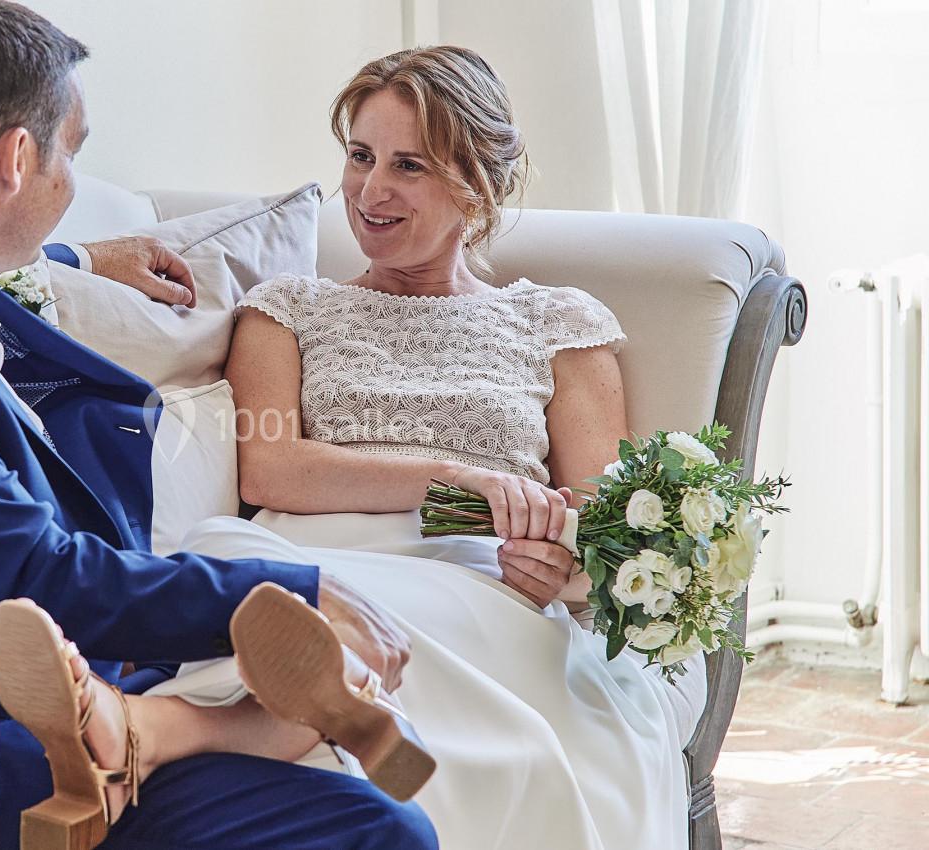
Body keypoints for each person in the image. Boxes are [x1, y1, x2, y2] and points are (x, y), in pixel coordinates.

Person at [0, 2, 437, 849]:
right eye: (72, 149)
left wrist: (80, 258)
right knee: (385, 829)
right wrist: (299, 593)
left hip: (24, 641)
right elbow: (45, 575)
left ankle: (190, 722)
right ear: (16, 159)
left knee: (304, 705)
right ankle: (159, 725)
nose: (72, 180)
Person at [206, 46, 710, 848]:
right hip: (321, 557)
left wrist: (562, 568)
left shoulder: (559, 322)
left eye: (408, 166)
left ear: (476, 185)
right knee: (236, 584)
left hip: (481, 580)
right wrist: (449, 476)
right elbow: (269, 465)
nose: (371, 192)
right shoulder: (286, 309)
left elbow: (598, 513)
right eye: (361, 157)